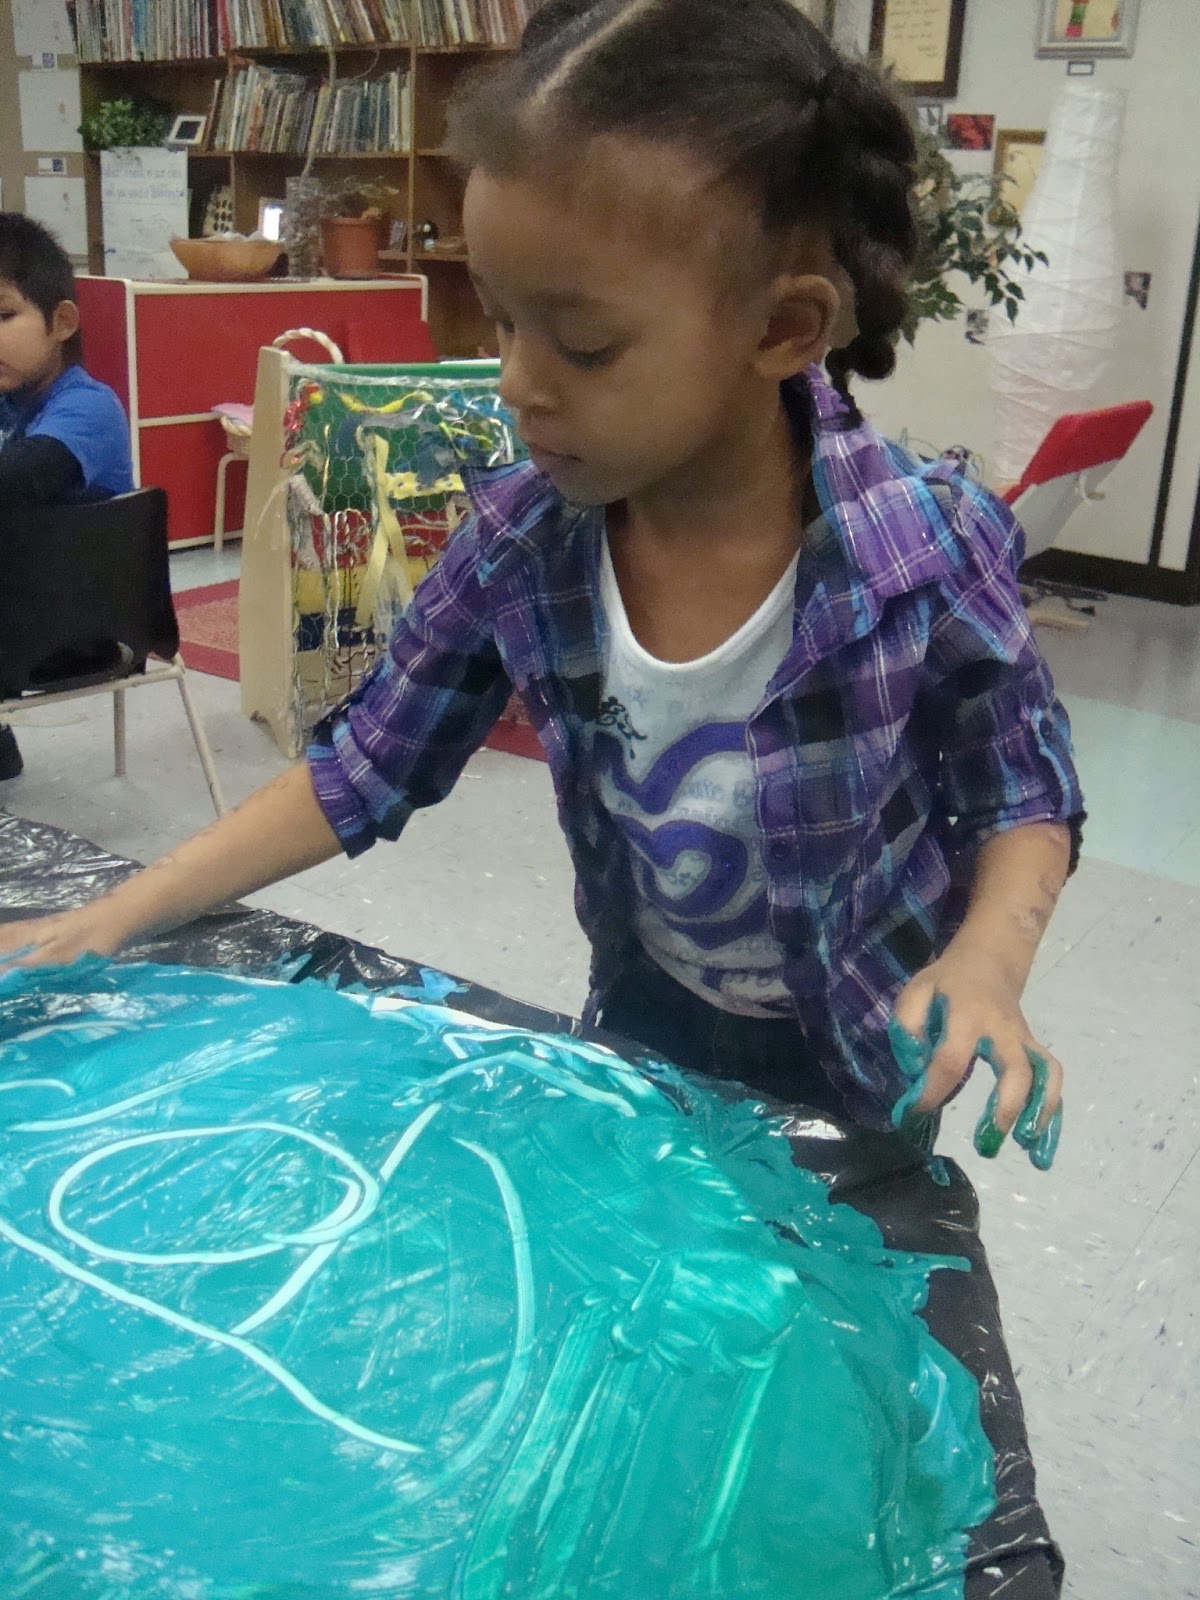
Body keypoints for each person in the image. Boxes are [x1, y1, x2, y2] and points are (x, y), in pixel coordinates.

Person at [0, 4, 1081, 1164]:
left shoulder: (924, 548)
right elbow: (364, 766)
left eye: (585, 345)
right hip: (647, 1012)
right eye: (505, 320)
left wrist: (987, 962)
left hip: (870, 1049)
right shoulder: (528, 538)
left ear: (782, 327)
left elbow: (1022, 786)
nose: (515, 383)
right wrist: (116, 915)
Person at [0, 212, 135, 780]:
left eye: (5, 315)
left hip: (79, 625)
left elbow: (21, 480)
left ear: (62, 322)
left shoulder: (89, 407)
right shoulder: (9, 402)